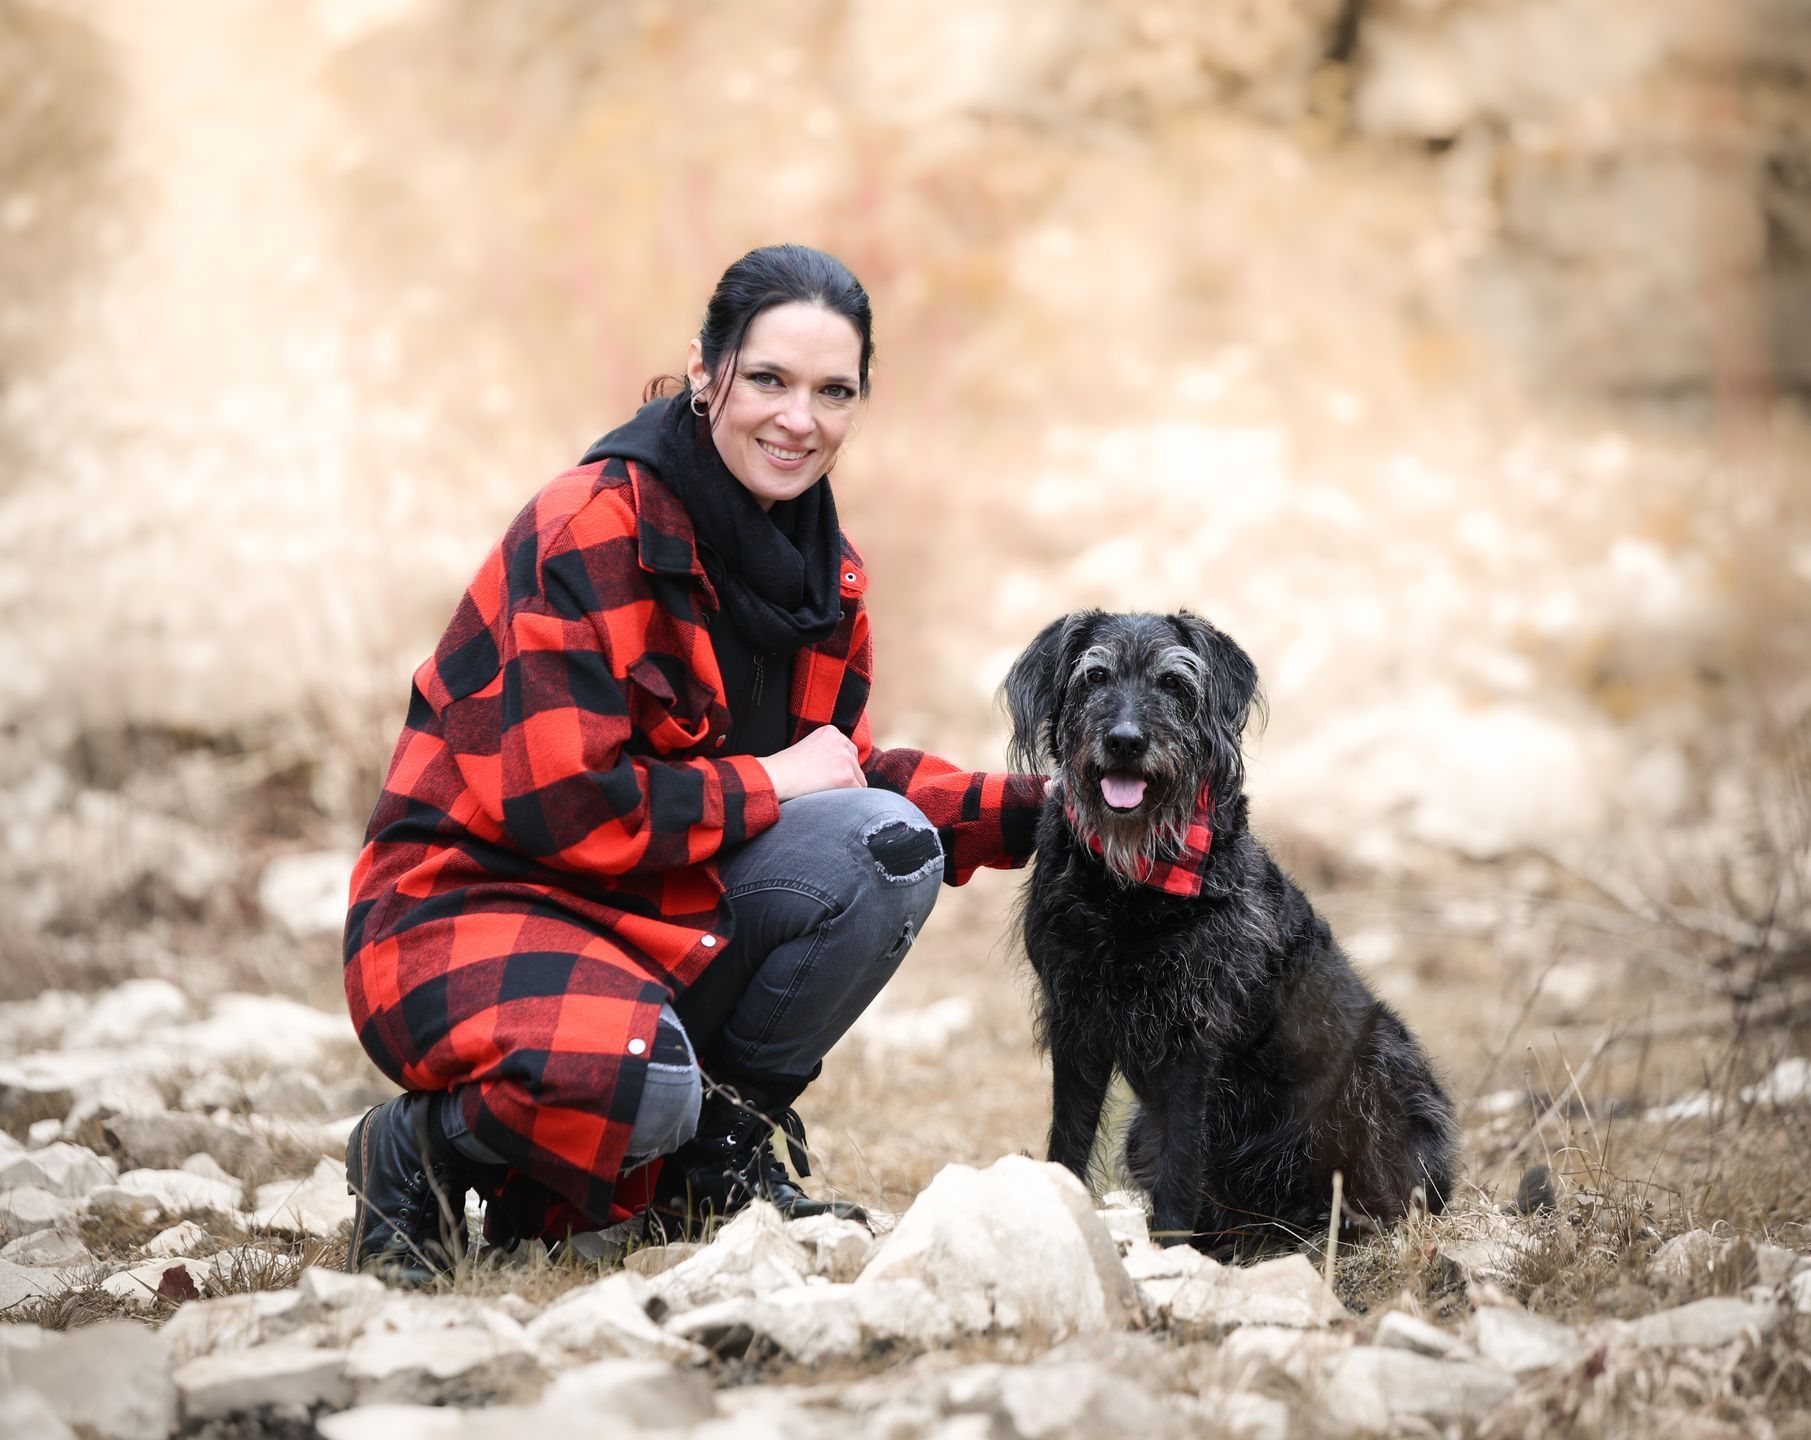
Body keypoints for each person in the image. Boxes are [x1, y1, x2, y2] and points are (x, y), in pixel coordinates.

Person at [340, 244, 1046, 1284]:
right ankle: (415, 1153)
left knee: (884, 849)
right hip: (467, 908)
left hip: (647, 909)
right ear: (704, 371)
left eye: (831, 391)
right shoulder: (593, 527)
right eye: (767, 380)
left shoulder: (823, 577)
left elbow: (836, 776)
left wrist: (1041, 812)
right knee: (640, 1080)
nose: (797, 420)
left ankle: (703, 1164)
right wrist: (769, 783)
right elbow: (563, 809)